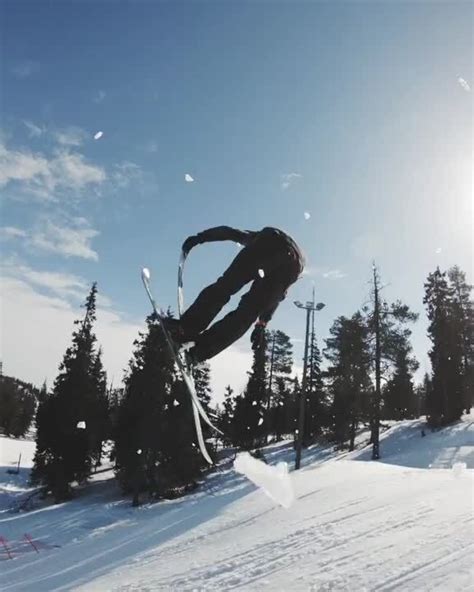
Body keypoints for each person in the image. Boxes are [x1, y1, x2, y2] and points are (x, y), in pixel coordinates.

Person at [164, 225, 305, 363]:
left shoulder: (259, 237)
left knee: (225, 286)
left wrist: (199, 238)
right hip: (289, 267)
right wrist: (262, 323)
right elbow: (277, 296)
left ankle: (186, 328)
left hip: (267, 246)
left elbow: (230, 233)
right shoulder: (292, 265)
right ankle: (199, 351)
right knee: (246, 315)